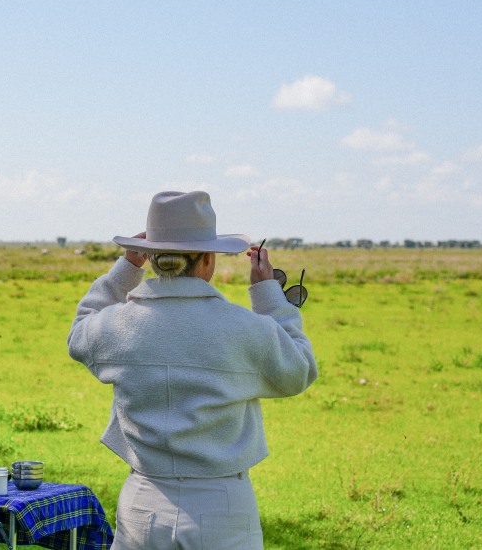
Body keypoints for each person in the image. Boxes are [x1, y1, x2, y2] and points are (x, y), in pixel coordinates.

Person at [67, 190, 318, 550]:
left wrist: (126, 268)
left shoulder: (119, 325)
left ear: (151, 258)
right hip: (224, 504)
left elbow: (80, 333)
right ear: (208, 261)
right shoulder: (243, 328)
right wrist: (268, 295)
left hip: (143, 503)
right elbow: (300, 370)